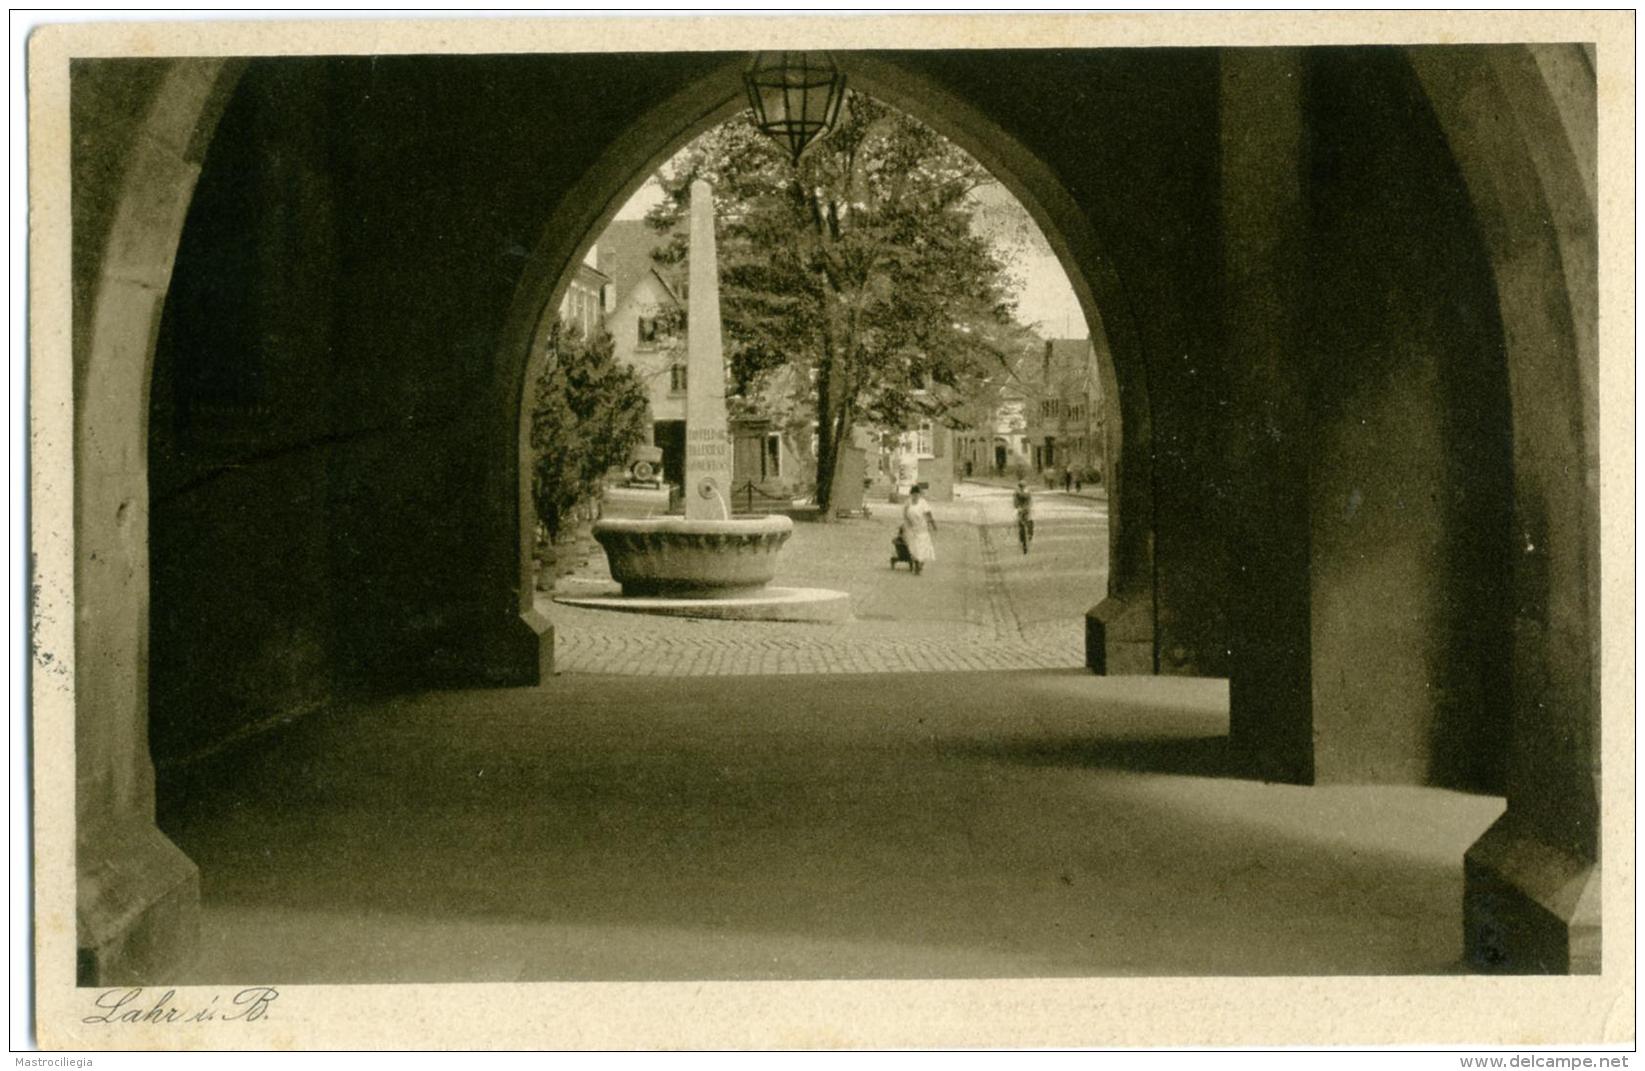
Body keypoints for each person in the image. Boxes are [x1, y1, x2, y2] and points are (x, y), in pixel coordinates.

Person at [900, 484, 938, 575]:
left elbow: (928, 514)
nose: (915, 496)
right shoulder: (908, 503)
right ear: (911, 494)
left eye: (917, 495)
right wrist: (906, 525)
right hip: (912, 527)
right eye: (913, 494)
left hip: (922, 527)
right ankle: (917, 564)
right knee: (914, 547)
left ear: (919, 495)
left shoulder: (923, 502)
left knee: (923, 547)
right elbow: (904, 514)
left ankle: (920, 564)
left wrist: (933, 524)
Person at [1013, 479, 1035, 554]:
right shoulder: (1025, 492)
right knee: (1024, 522)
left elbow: (1016, 503)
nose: (1022, 488)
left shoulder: (1018, 492)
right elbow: (1016, 502)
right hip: (1024, 509)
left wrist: (1019, 507)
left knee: (1026, 521)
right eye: (1021, 486)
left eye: (1022, 486)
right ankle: (1026, 536)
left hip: (1024, 509)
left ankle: (1026, 536)